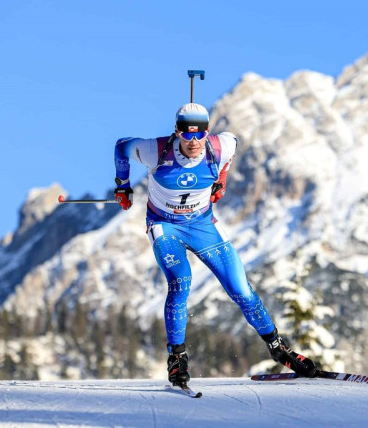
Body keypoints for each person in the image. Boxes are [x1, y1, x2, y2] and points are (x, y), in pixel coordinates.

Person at [113, 103, 317, 388]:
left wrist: (220, 180)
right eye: (187, 136)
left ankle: (277, 347)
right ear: (177, 133)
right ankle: (177, 359)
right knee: (180, 283)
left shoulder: (221, 147)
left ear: (208, 132)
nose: (194, 142)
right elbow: (122, 146)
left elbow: (231, 149)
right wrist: (122, 184)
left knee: (241, 290)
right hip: (165, 226)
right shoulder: (154, 150)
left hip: (203, 225)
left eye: (200, 135)